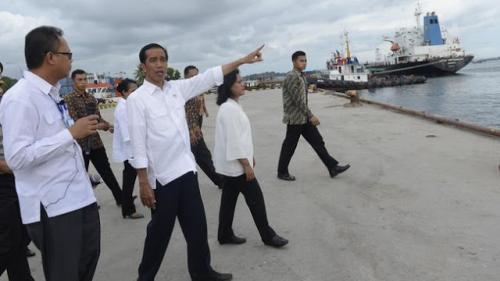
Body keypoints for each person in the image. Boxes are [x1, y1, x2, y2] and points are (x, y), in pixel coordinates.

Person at [128, 42, 264, 281]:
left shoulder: (176, 89)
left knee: (197, 229)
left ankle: (202, 272)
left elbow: (212, 75)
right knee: (159, 234)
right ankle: (145, 277)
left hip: (186, 172)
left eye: (163, 59)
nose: (159, 65)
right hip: (162, 179)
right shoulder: (137, 100)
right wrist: (143, 182)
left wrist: (242, 60)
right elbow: (137, 144)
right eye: (153, 60)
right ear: (143, 66)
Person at [0, 26, 100, 281]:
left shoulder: (52, 95)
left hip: (79, 197)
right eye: (68, 53)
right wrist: (70, 134)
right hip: (53, 206)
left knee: (86, 265)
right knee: (64, 274)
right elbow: (17, 157)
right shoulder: (20, 98)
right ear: (50, 57)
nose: (71, 60)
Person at [214, 69, 288, 248]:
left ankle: (224, 234)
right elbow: (234, 141)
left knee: (229, 199)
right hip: (236, 166)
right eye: (239, 82)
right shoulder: (229, 109)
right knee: (256, 199)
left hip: (233, 164)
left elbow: (240, 137)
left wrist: (250, 155)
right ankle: (267, 236)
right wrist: (246, 164)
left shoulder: (231, 105)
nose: (243, 84)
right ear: (229, 87)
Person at [277, 51, 350, 181]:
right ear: (294, 62)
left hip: (303, 118)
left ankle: (332, 167)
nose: (304, 63)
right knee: (290, 146)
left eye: (305, 60)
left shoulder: (301, 76)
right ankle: (282, 172)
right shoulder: (292, 76)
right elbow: (297, 100)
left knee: (317, 141)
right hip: (295, 119)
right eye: (301, 60)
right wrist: (310, 115)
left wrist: (307, 116)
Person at [65, 69, 123, 206]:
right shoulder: (68, 99)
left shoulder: (91, 98)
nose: (83, 82)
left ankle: (121, 199)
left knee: (106, 171)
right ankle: (87, 203)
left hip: (95, 143)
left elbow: (98, 118)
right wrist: (99, 126)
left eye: (85, 79)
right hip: (79, 144)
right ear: (73, 82)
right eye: (80, 80)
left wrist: (108, 126)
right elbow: (75, 121)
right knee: (81, 175)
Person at [0, 61, 35, 281]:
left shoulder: (5, 103)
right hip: (4, 180)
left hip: (14, 179)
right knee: (8, 241)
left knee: (19, 239)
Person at [184, 65, 223, 189]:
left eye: (197, 75)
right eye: (192, 76)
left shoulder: (198, 90)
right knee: (189, 164)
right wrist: (191, 132)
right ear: (186, 77)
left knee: (204, 157)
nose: (195, 78)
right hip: (187, 134)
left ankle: (220, 181)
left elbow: (199, 113)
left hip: (196, 131)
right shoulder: (185, 92)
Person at [112, 79, 143, 219]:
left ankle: (127, 202)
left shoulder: (129, 105)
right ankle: (128, 209)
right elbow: (127, 135)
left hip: (133, 149)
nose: (136, 93)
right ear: (124, 92)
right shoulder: (123, 108)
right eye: (133, 91)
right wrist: (134, 154)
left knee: (129, 178)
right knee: (129, 179)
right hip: (131, 150)